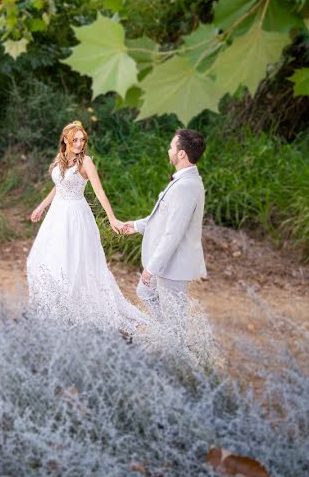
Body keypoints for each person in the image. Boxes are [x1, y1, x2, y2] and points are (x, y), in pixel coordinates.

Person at [27, 121, 146, 332]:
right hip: (56, 216)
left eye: (82, 140)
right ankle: (53, 307)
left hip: (75, 216)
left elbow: (99, 192)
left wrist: (112, 218)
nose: (80, 144)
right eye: (75, 140)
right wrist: (41, 207)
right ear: (65, 140)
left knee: (73, 261)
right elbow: (58, 187)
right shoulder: (60, 160)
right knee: (44, 258)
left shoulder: (86, 162)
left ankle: (74, 309)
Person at [121, 129, 207, 327]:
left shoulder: (186, 187)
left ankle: (174, 348)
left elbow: (173, 233)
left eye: (171, 147)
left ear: (181, 153)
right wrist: (135, 225)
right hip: (170, 264)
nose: (169, 151)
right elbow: (163, 218)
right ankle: (165, 335)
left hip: (175, 266)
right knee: (145, 292)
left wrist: (151, 268)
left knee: (175, 320)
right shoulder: (184, 182)